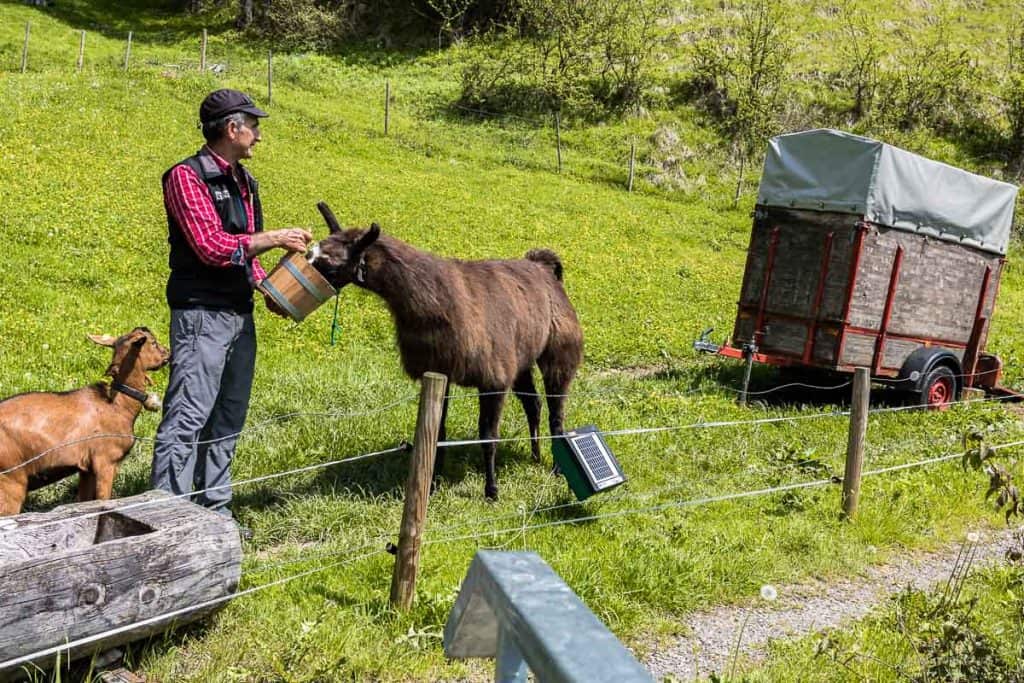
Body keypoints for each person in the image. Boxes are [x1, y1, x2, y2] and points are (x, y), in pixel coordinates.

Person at [152, 88, 312, 536]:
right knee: (189, 413)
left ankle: (214, 508)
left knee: (229, 414)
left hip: (239, 313)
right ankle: (168, 515)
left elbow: (246, 246)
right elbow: (211, 247)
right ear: (231, 128)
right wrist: (276, 236)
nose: (258, 136)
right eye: (254, 126)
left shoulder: (245, 181)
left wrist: (268, 287)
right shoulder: (186, 177)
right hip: (201, 312)